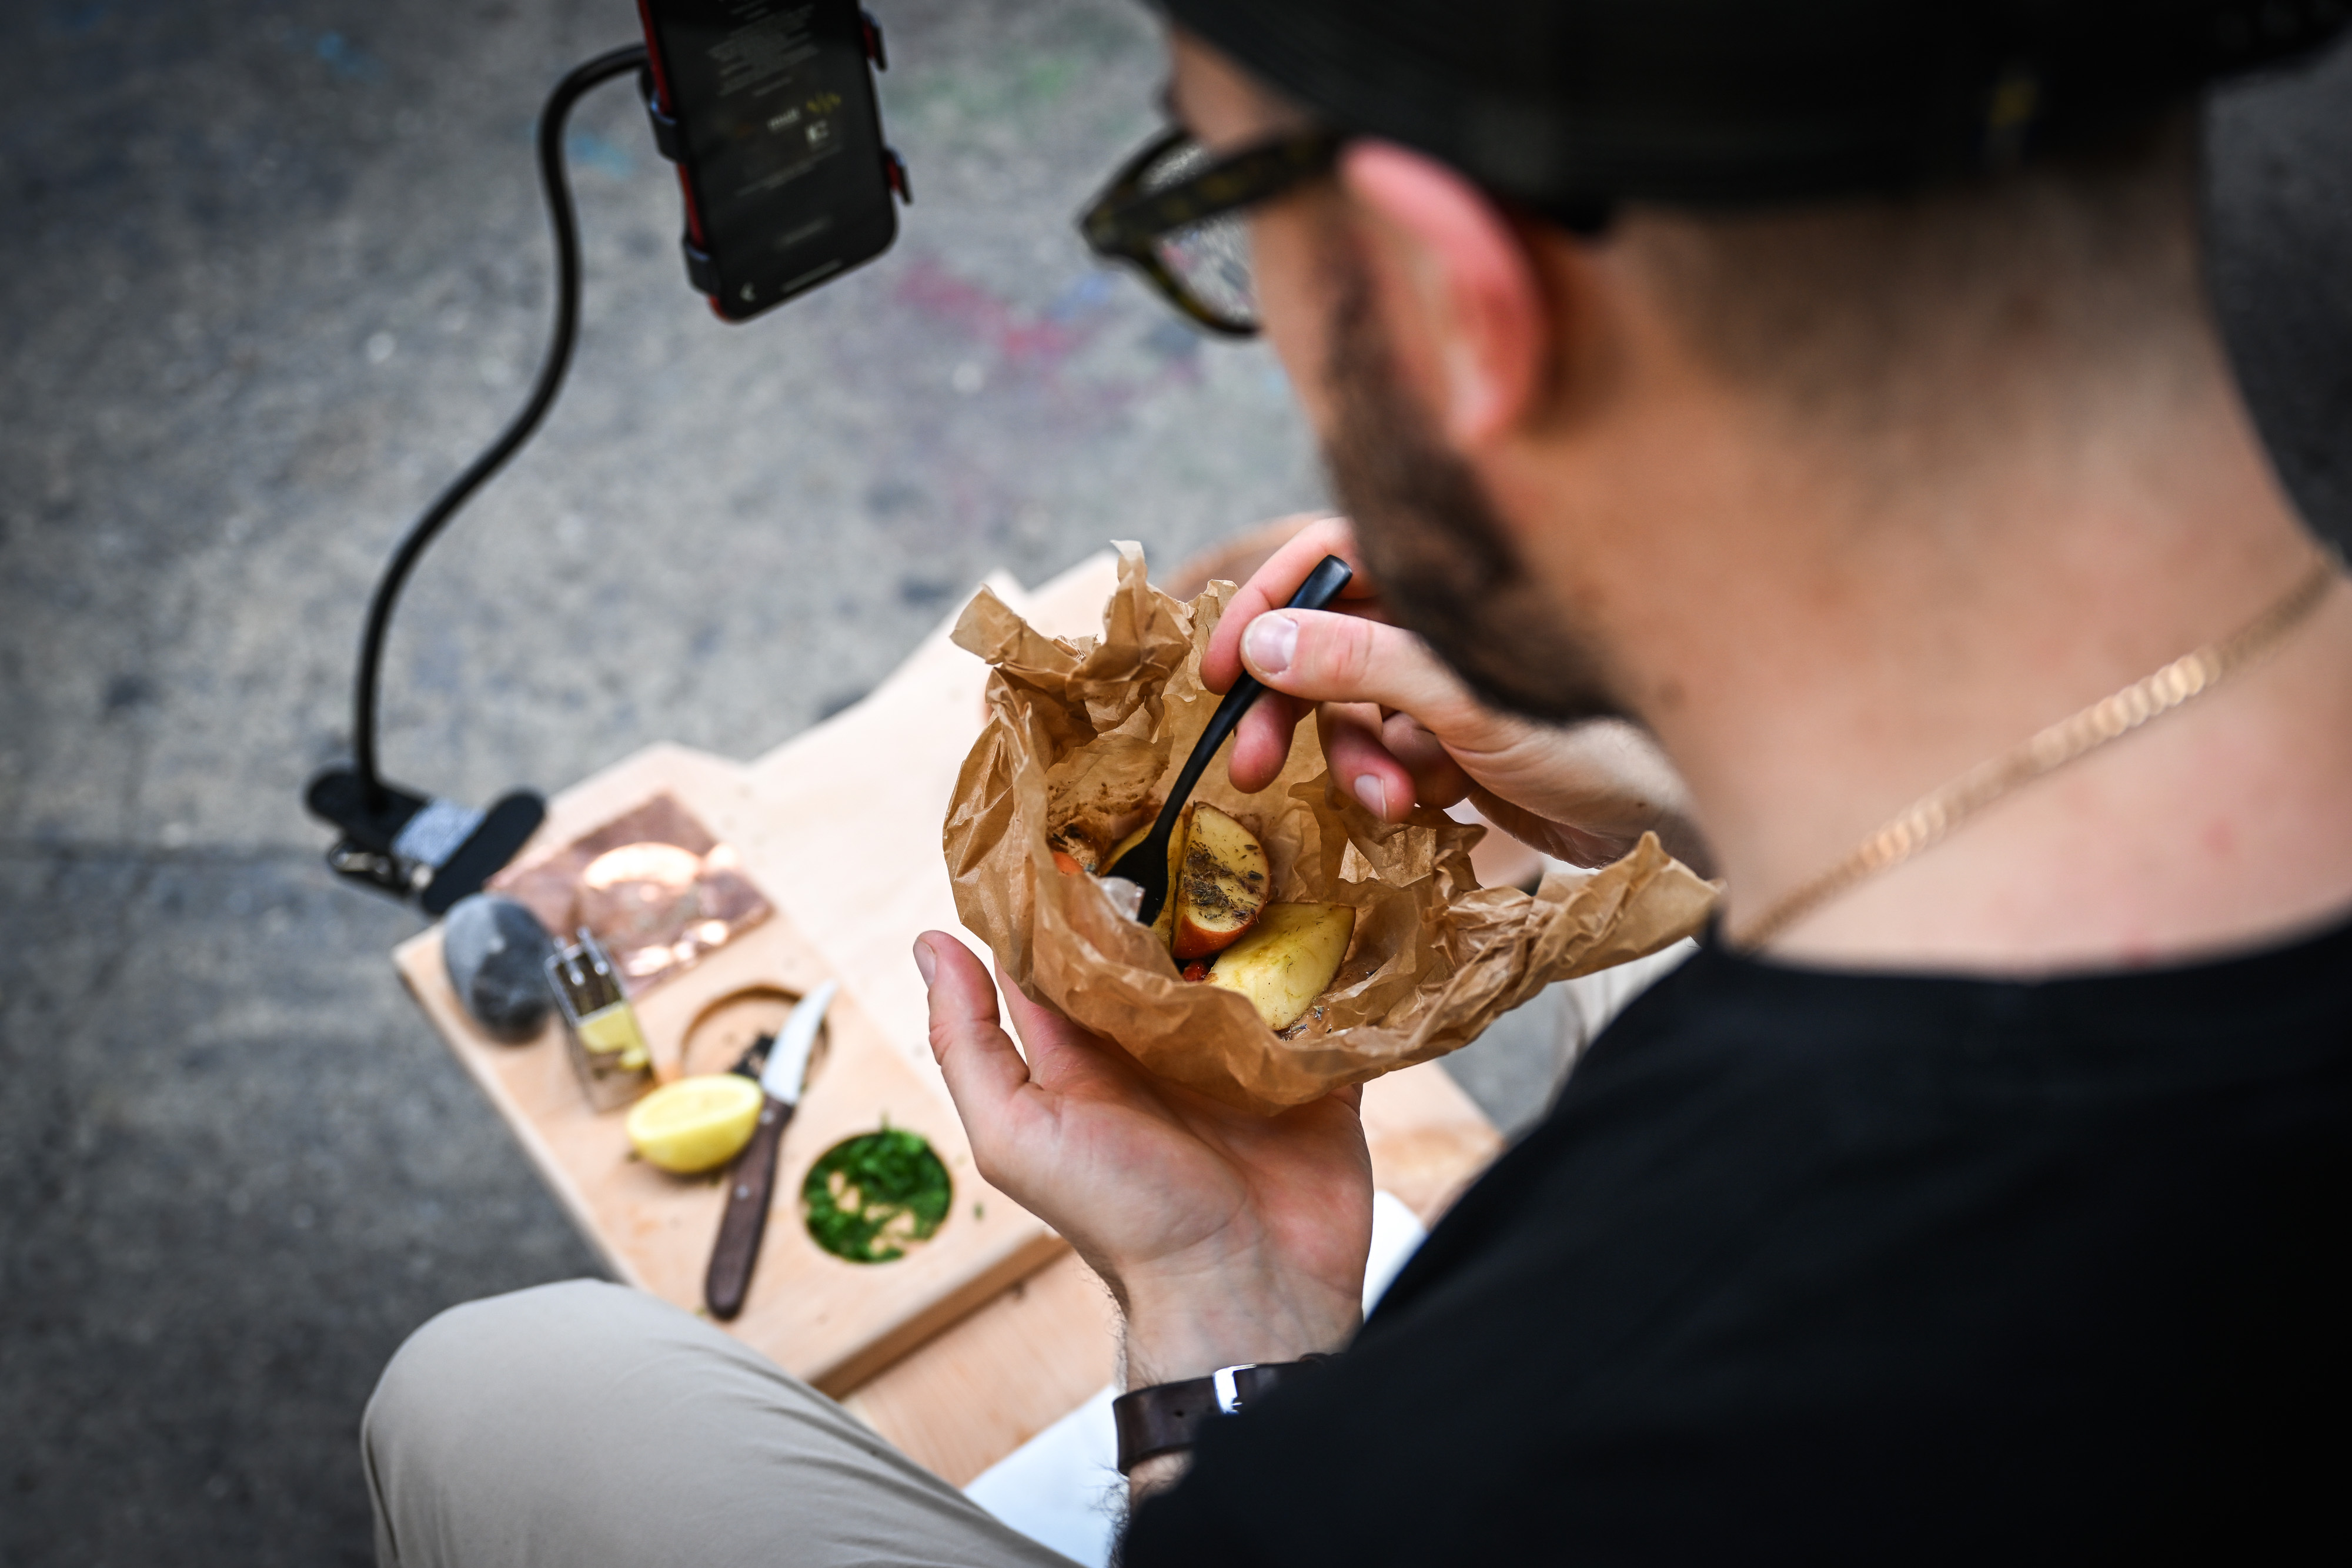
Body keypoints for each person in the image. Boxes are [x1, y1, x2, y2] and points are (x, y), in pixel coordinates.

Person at [362, 3, 2352, 1563]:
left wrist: (1228, 1320)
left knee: (502, 1395)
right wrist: (1694, 804)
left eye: (1221, 202)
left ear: (1455, 297)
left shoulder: (1462, 1471)